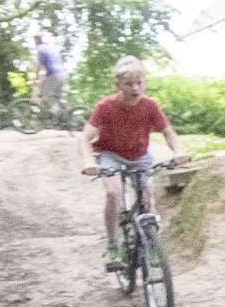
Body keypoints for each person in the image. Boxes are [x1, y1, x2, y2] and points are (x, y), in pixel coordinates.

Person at [80, 56, 186, 270]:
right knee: (113, 192)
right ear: (118, 84)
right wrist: (88, 160)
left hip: (139, 156)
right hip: (110, 154)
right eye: (128, 84)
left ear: (145, 82)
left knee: (148, 198)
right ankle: (112, 246)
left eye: (140, 83)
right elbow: (84, 138)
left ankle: (151, 244)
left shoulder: (150, 106)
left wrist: (179, 151)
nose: (135, 88)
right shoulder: (106, 106)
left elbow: (169, 133)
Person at [32, 32, 67, 120]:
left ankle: (55, 112)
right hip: (62, 74)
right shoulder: (51, 48)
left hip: (54, 75)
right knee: (57, 97)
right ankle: (65, 117)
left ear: (36, 40)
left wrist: (36, 78)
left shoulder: (40, 49)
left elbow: (40, 66)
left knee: (44, 93)